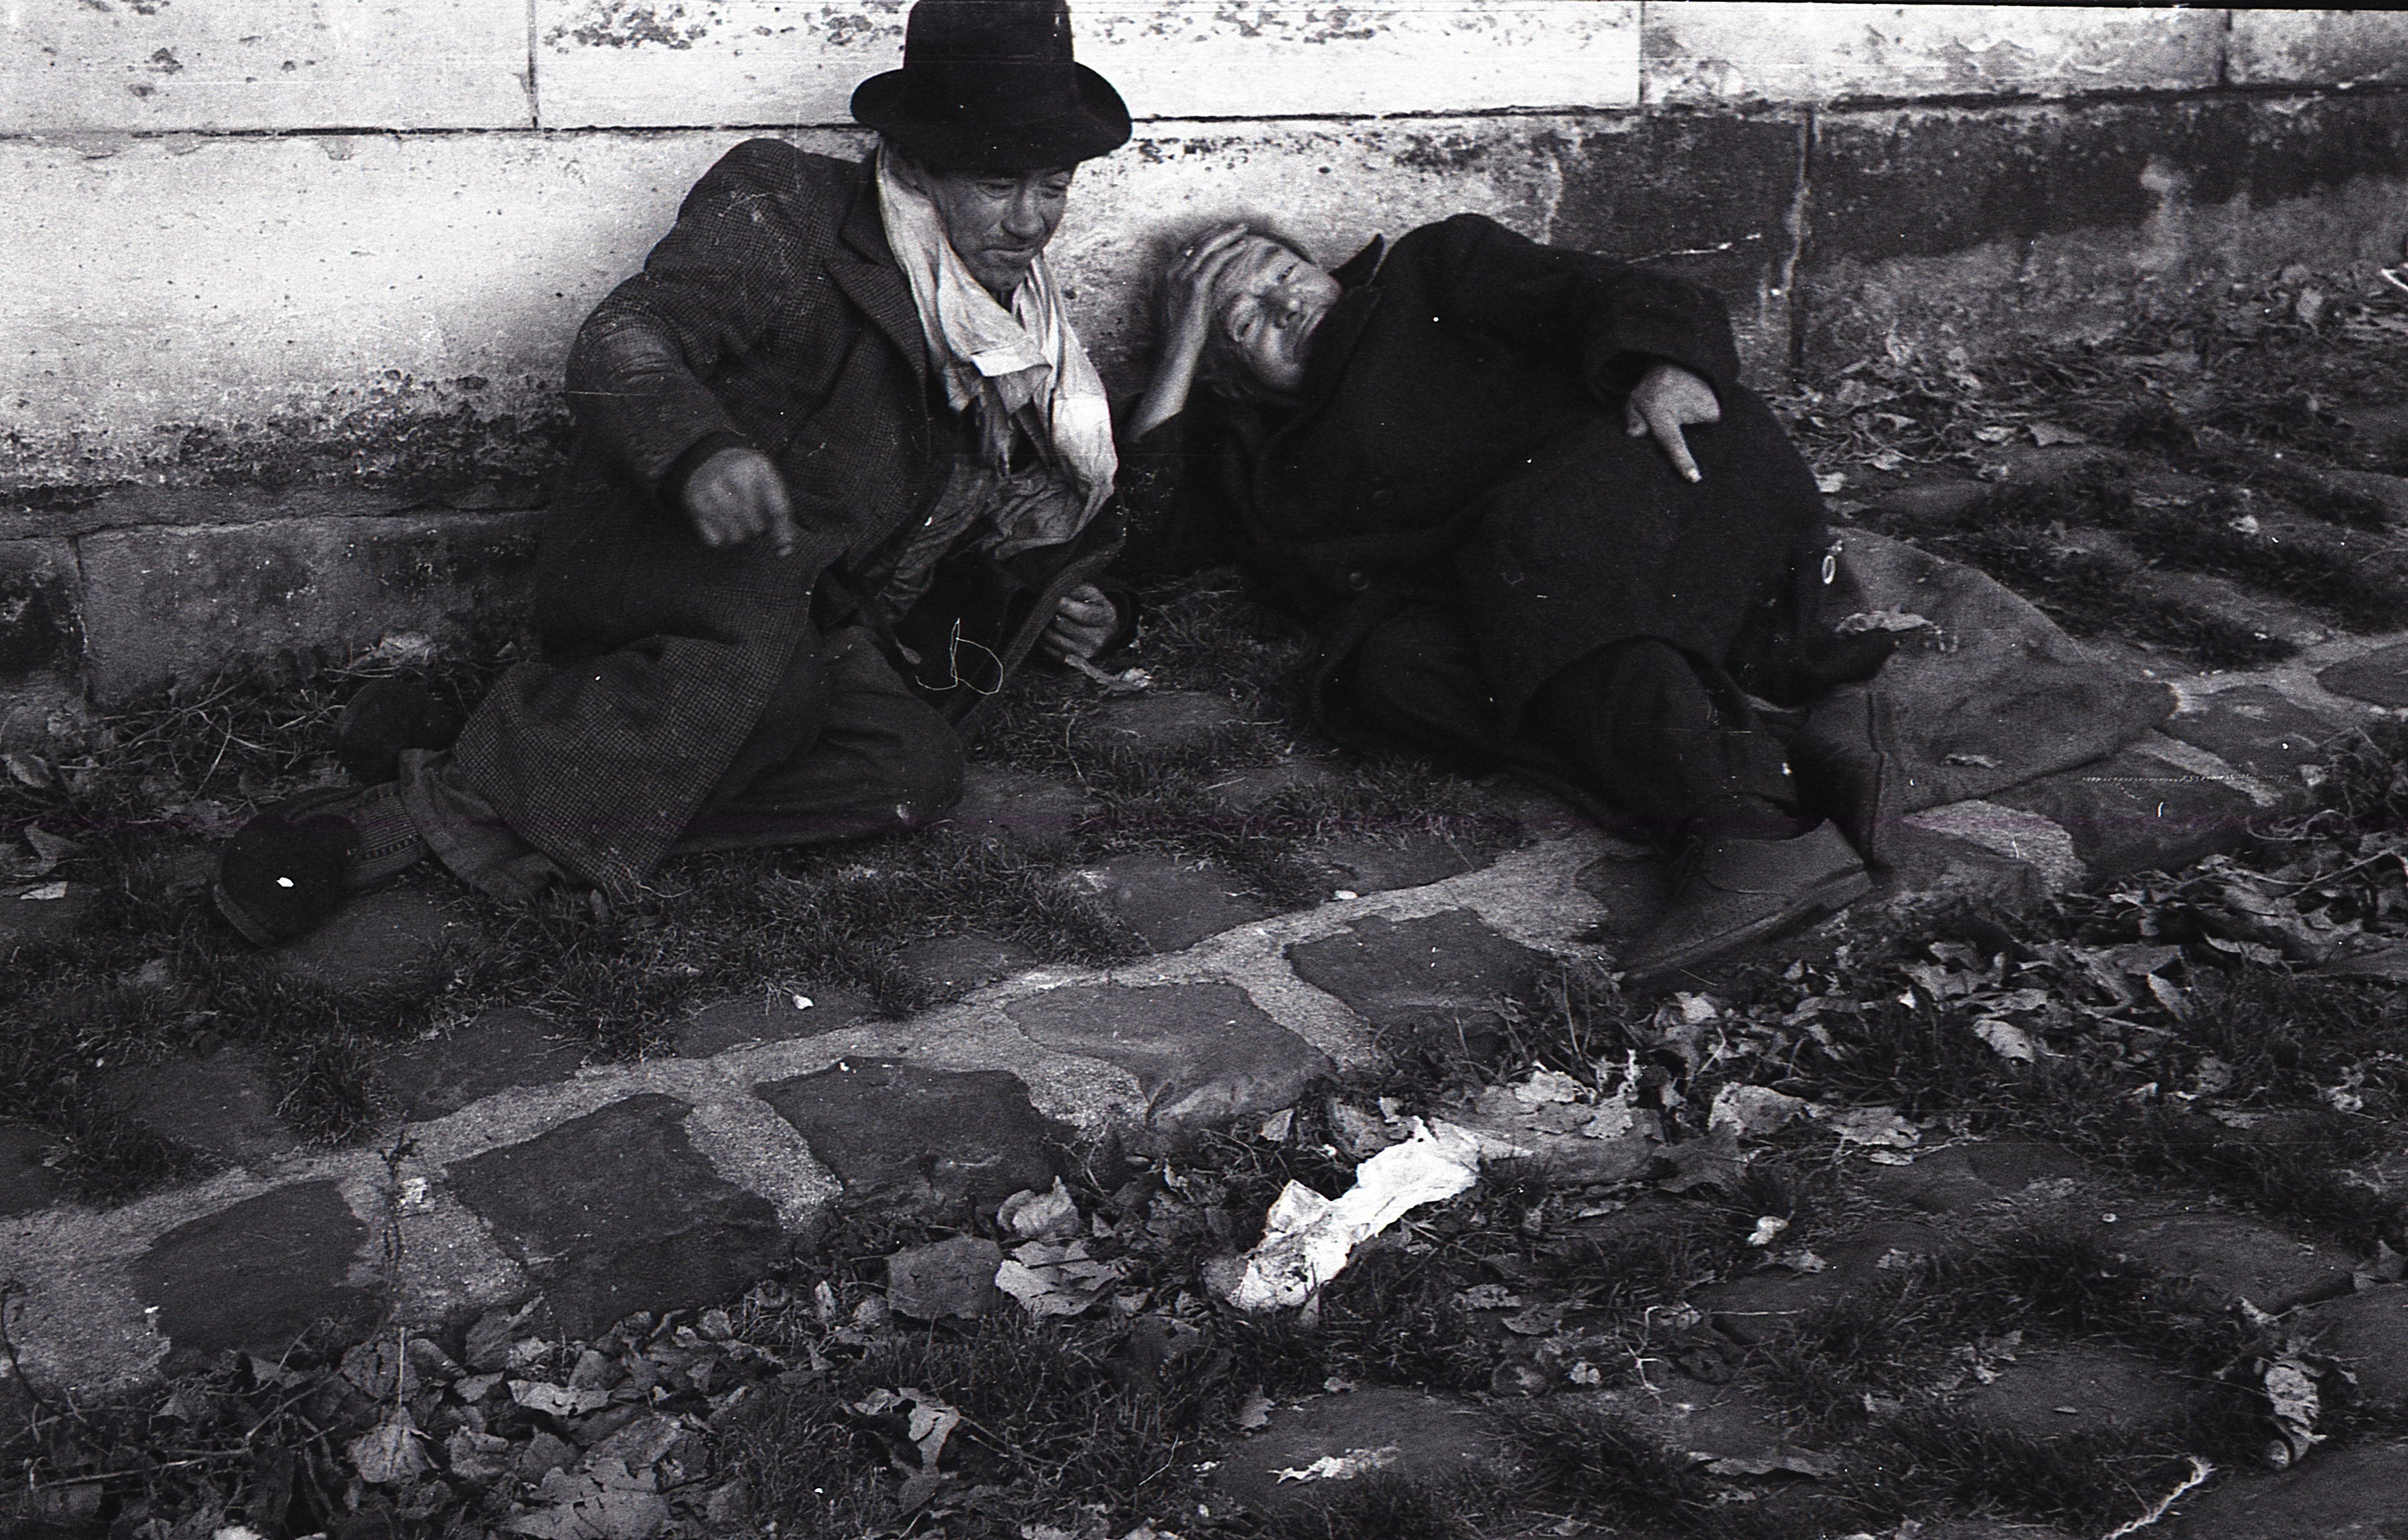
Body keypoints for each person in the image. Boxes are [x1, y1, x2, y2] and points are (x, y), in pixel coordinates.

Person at [213, 0, 1135, 946]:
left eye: (1052, 186)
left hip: (803, 606)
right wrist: (702, 451)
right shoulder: (786, 208)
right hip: (671, 562)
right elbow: (624, 336)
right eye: (997, 185)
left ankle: (524, 766)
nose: (1030, 221)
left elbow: (964, 512)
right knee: (766, 688)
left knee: (910, 772)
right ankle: (390, 823)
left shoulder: (1016, 330)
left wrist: (1075, 609)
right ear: (923, 161)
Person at [1119, 219, 1889, 980]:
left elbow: (1617, 291)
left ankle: (1748, 826)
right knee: (1387, 668)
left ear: (1325, 268)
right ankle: (1774, 744)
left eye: (1284, 273)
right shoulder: (1255, 460)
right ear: (1228, 376)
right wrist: (1183, 339)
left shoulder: (1434, 272)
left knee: (1529, 540)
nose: (1285, 306)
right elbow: (1146, 538)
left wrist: (1671, 365)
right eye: (1246, 319)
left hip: (1665, 478)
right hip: (1549, 597)